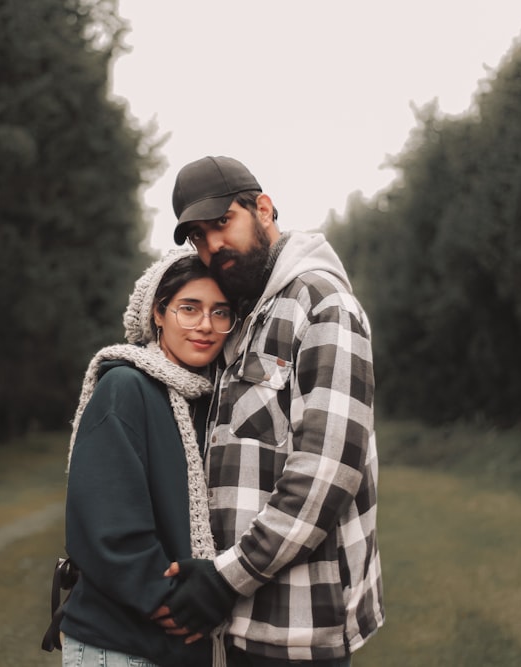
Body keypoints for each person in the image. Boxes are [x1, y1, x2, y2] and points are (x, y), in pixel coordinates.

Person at [153, 156, 385, 666]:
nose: (212, 246)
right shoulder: (247, 317)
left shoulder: (322, 304)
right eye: (197, 236)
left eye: (221, 223)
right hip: (239, 623)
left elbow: (326, 472)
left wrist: (223, 578)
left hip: (298, 628)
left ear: (263, 209)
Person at [59, 249, 238, 667]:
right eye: (189, 309)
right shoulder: (125, 386)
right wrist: (174, 601)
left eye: (221, 312)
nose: (206, 326)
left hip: (180, 649)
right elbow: (106, 521)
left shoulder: (209, 405)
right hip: (118, 644)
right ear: (158, 313)